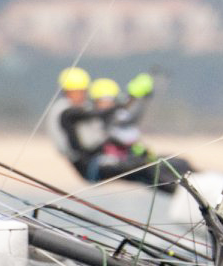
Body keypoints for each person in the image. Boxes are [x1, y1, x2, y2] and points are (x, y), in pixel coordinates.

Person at [50, 67, 187, 190]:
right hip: (91, 167)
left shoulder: (81, 109)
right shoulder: (67, 113)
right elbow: (104, 113)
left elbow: (123, 120)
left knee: (166, 164)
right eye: (79, 91)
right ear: (67, 91)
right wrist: (131, 97)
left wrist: (141, 99)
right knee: (144, 167)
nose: (83, 94)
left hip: (103, 158)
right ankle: (182, 193)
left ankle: (194, 186)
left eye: (84, 91)